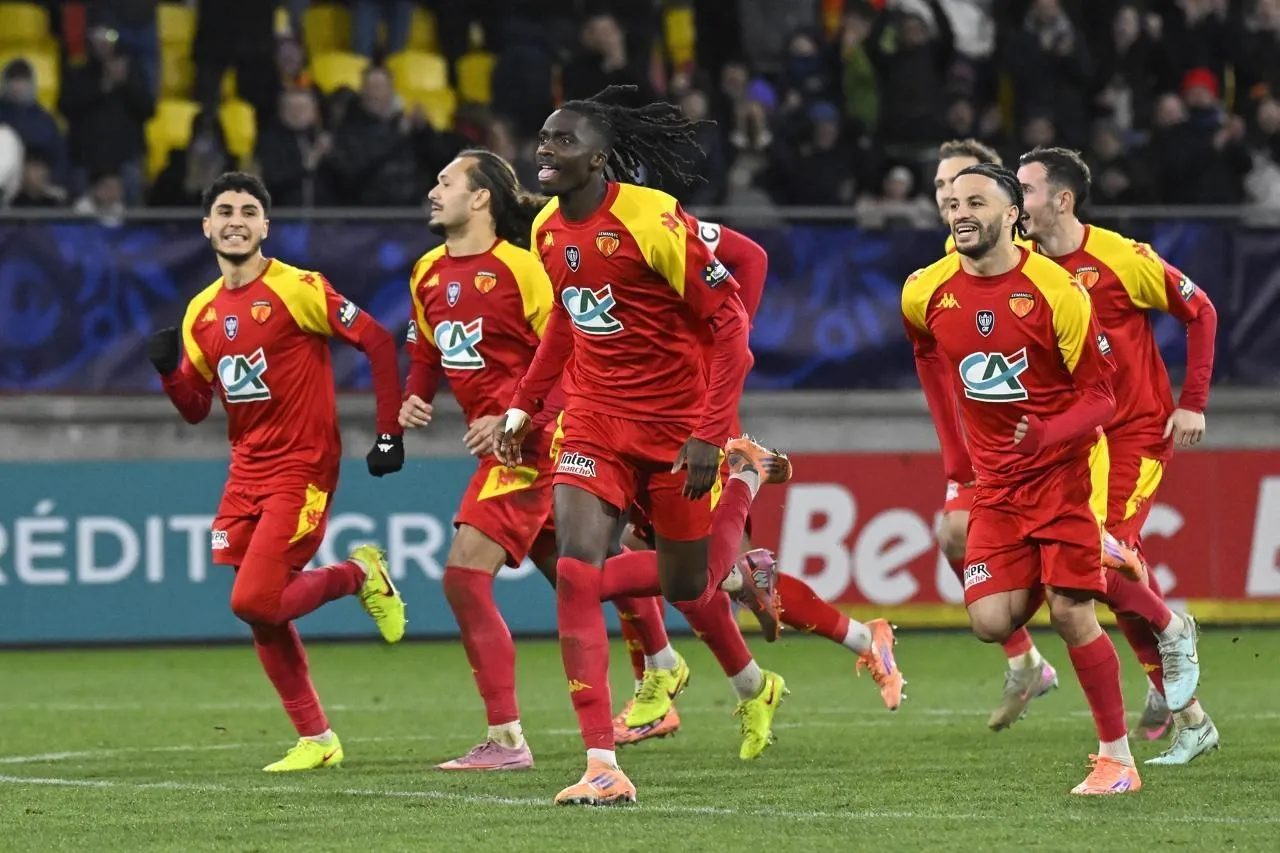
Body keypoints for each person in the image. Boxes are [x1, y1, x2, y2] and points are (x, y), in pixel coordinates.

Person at [493, 85, 788, 806]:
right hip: (595, 419)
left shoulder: (652, 219)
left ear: (599, 158)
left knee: (690, 585)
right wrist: (525, 404)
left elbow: (730, 327)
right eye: (543, 137)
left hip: (677, 426)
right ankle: (600, 762)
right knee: (576, 569)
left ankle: (744, 477)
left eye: (563, 140)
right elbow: (567, 321)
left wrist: (709, 434)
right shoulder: (545, 230)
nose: (545, 149)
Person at [609, 219, 905, 749]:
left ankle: (669, 677)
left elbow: (753, 257)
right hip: (624, 416)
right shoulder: (568, 235)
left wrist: (722, 342)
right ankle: (845, 644)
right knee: (690, 570)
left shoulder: (658, 222)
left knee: (678, 570)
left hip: (686, 419)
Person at [146, 172, 407, 772]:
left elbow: (376, 341)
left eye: (248, 211)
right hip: (245, 472)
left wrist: (388, 431)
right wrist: (169, 375)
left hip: (303, 465)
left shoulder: (299, 287)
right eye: (224, 211)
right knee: (262, 611)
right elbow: (197, 408)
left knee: (254, 599)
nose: (236, 221)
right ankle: (317, 739)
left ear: (265, 225)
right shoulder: (200, 311)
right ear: (206, 227)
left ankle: (358, 573)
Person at [902, 163, 1139, 795]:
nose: (961, 213)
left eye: (976, 202)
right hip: (996, 487)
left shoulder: (1058, 291)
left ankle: (1117, 760)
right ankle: (1096, 557)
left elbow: (1103, 398)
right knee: (989, 623)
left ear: (1012, 215)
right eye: (954, 203)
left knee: (1070, 612)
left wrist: (1047, 434)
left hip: (1062, 475)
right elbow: (928, 358)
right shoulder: (924, 291)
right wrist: (956, 454)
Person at [1017, 146, 1217, 764]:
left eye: (1026, 191)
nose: (1017, 203)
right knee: (1109, 571)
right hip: (1075, 440)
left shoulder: (1121, 257)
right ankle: (1188, 713)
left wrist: (1193, 402)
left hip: (1134, 433)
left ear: (1062, 200)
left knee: (1097, 556)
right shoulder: (1022, 264)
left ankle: (1174, 632)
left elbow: (1201, 310)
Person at [400, 149, 560, 771]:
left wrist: (515, 417)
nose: (433, 191)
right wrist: (417, 394)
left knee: (463, 577)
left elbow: (572, 355)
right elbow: (426, 344)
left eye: (446, 181)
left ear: (481, 197)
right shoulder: (427, 271)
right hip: (498, 446)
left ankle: (507, 740)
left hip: (529, 445)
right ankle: (724, 577)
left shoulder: (523, 268)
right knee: (587, 576)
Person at [932, 139, 1060, 729]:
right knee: (954, 535)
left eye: (963, 189)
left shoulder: (1032, 266)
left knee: (1084, 593)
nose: (951, 200)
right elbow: (933, 363)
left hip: (1054, 448)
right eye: (942, 189)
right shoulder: (942, 272)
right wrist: (954, 453)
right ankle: (1025, 659)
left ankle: (1169, 674)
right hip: (982, 449)